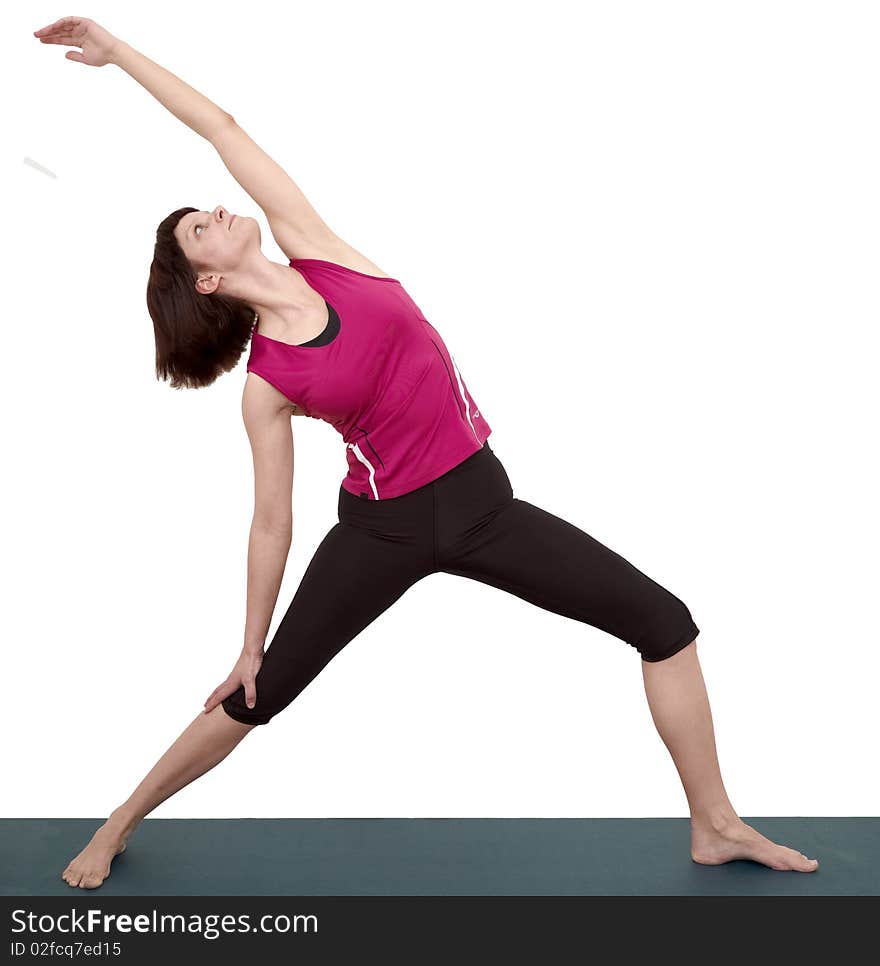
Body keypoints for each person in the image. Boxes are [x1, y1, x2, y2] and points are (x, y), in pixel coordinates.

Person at [33, 16, 819, 890]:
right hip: (385, 530)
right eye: (196, 230)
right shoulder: (268, 386)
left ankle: (714, 825)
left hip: (485, 506)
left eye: (205, 209)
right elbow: (269, 523)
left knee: (665, 624)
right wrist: (249, 642)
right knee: (260, 694)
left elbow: (221, 127)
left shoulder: (321, 252)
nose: (214, 210)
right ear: (207, 281)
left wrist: (119, 56)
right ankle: (118, 823)